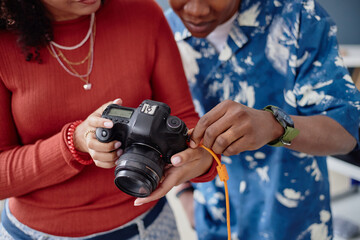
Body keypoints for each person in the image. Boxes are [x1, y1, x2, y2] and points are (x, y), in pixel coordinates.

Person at [0, 0, 218, 239]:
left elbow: (183, 120)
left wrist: (200, 158)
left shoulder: (142, 13)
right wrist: (74, 143)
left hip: (149, 227)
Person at [165, 0, 360, 239]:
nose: (196, 10)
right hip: (212, 223)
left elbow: (346, 135)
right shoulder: (162, 32)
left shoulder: (299, 17)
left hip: (295, 225)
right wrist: (184, 194)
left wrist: (276, 127)